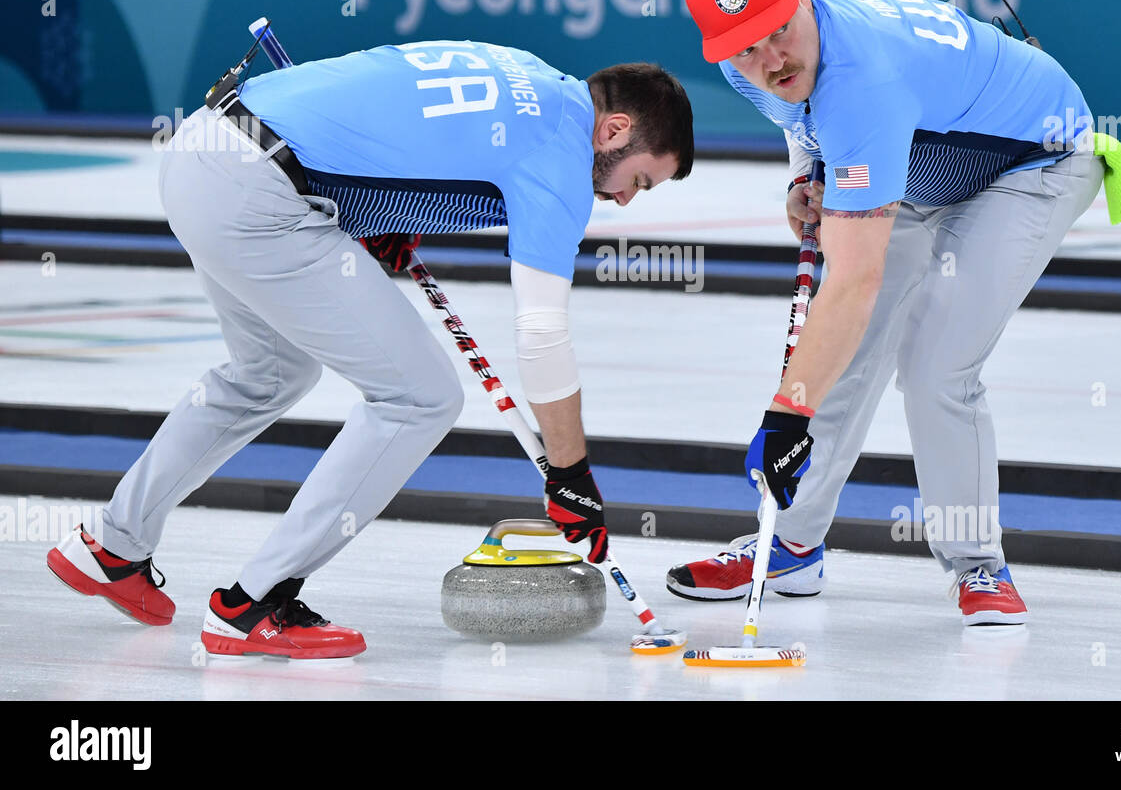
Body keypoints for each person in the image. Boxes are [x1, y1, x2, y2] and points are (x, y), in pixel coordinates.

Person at [47, 39, 694, 656]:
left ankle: (112, 546)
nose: (622, 198)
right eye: (640, 180)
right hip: (260, 194)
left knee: (267, 375)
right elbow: (543, 334)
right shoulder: (562, 159)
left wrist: (376, 211)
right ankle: (256, 604)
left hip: (206, 151)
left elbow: (401, 101)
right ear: (613, 131)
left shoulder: (524, 73)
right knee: (420, 397)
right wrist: (570, 474)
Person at [667, 0, 1121, 625]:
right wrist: (804, 177)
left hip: (1030, 162)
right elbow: (802, 122)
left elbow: (855, 281)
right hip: (922, 157)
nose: (771, 58)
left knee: (934, 363)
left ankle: (978, 563)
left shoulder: (863, 79)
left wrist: (785, 415)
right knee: (840, 357)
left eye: (779, 31)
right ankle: (792, 544)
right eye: (746, 47)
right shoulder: (755, 68)